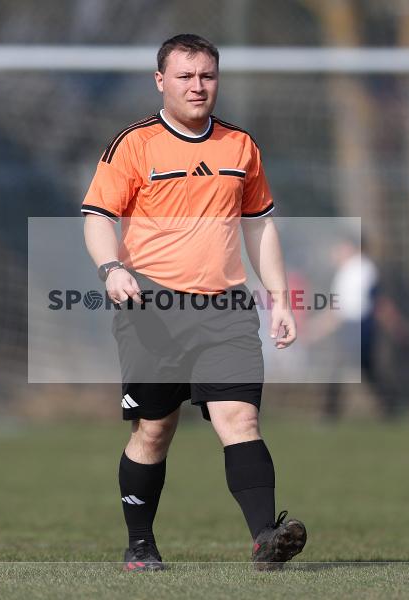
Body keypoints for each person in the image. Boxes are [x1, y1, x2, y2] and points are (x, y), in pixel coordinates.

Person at [80, 34, 306, 571]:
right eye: (185, 76)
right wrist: (111, 269)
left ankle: (265, 540)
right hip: (150, 307)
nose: (197, 86)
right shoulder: (132, 144)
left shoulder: (240, 146)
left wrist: (279, 298)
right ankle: (140, 543)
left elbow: (259, 226)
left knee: (239, 420)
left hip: (224, 309)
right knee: (155, 430)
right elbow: (97, 217)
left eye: (206, 75)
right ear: (161, 81)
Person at [308, 234, 408, 420]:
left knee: (339, 369)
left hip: (358, 326)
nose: (335, 252)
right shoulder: (351, 270)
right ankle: (391, 408)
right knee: (367, 369)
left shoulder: (360, 270)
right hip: (355, 326)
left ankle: (328, 415)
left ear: (350, 247)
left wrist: (316, 329)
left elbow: (365, 304)